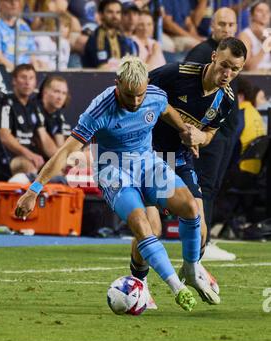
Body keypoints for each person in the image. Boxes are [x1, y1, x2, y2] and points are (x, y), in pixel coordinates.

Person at [15, 56, 222, 312]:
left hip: (148, 163)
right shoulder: (98, 110)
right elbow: (65, 152)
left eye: (140, 95)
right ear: (117, 84)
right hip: (113, 170)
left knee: (191, 207)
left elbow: (166, 110)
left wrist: (184, 132)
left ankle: (191, 268)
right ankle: (176, 288)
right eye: (129, 95)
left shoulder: (154, 95)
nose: (135, 102)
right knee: (144, 226)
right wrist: (34, 190)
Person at [138, 37, 246, 304]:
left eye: (235, 69)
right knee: (151, 226)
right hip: (147, 153)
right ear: (213, 57)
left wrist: (200, 138)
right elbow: (138, 92)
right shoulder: (177, 73)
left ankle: (191, 269)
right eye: (224, 66)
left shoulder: (226, 100)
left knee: (200, 227)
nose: (227, 74)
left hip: (180, 158)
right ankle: (139, 284)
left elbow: (209, 134)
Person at [184, 8, 238, 261]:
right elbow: (187, 93)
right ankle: (200, 244)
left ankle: (204, 240)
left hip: (224, 131)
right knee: (203, 186)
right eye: (222, 24)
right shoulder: (201, 53)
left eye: (231, 24)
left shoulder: (235, 53)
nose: (226, 28)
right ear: (212, 26)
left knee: (212, 186)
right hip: (207, 133)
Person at [0, 64, 58, 180]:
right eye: (23, 77)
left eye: (31, 78)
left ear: (35, 82)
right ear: (14, 81)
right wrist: (29, 154)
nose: (27, 82)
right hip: (11, 157)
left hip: (33, 156)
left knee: (57, 170)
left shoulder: (34, 105)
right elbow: (4, 136)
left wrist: (59, 159)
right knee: (29, 166)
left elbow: (44, 137)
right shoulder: (5, 103)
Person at [0, 0, 37, 71]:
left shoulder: (23, 26)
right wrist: (17, 72)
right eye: (9, 1)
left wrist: (36, 70)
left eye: (17, 1)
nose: (14, 4)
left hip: (22, 75)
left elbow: (32, 56)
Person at [82, 0, 138, 70]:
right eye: (110, 12)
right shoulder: (97, 38)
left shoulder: (122, 37)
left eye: (118, 12)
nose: (115, 16)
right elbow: (103, 68)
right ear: (101, 14)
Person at [37, 75, 71, 148]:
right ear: (45, 92)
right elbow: (44, 141)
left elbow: (60, 146)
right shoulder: (34, 108)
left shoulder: (58, 114)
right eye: (56, 91)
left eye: (64, 93)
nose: (60, 97)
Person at [238, 1, 271, 71]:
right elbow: (247, 68)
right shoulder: (245, 35)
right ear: (251, 15)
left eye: (267, 11)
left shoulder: (269, 33)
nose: (264, 14)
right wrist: (265, 47)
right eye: (260, 11)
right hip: (254, 78)